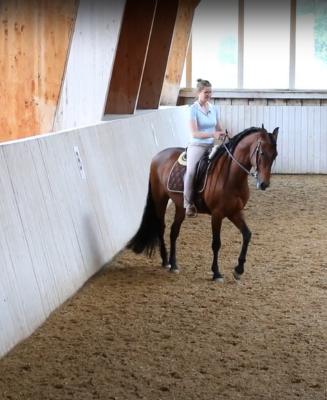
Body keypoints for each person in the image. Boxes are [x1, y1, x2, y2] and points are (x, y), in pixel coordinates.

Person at [183, 78, 231, 218]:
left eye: (210, 92)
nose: (209, 95)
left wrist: (224, 134)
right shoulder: (192, 110)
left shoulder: (214, 108)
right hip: (197, 145)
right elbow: (194, 133)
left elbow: (218, 128)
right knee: (191, 172)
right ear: (198, 92)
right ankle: (188, 205)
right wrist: (213, 134)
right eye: (206, 92)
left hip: (212, 145)